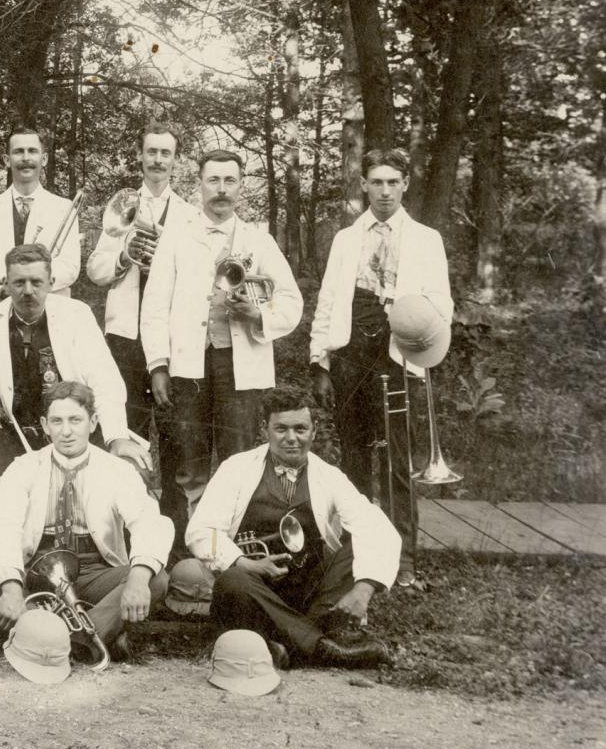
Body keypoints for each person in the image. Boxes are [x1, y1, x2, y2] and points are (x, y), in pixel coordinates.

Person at [141, 148, 302, 547]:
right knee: (189, 462)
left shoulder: (258, 240)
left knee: (240, 460)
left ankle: (240, 548)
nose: (221, 189)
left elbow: (293, 303)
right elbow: (155, 306)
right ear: (199, 184)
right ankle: (195, 550)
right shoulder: (178, 237)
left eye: (230, 180)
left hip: (242, 368)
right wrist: (158, 364)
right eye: (213, 180)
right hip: (188, 368)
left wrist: (258, 314)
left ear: (241, 186)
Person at [310, 148, 452, 585]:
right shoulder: (346, 239)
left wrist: (411, 316)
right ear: (364, 185)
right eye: (377, 182)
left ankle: (403, 560)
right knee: (352, 461)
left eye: (393, 182)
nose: (385, 191)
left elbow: (443, 303)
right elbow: (329, 299)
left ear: (405, 183)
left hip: (399, 356)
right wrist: (320, 361)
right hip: (351, 355)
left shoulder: (427, 239)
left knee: (398, 461)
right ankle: (356, 555)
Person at [186, 386, 399, 668]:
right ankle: (320, 646)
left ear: (314, 430)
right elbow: (201, 531)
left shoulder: (329, 476)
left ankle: (277, 642)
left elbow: (376, 527)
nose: (291, 439)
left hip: (308, 596)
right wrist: (244, 563)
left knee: (354, 547)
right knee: (232, 581)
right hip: (256, 592)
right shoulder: (236, 468)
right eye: (281, 429)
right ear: (265, 429)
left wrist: (364, 589)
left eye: (300, 429)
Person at [0, 382, 173, 661]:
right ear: (44, 425)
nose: (66, 431)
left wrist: (137, 579)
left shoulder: (118, 470)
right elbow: (0, 524)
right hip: (37, 567)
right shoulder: (24, 467)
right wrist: (12, 589)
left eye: (75, 420)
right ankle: (96, 635)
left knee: (154, 579)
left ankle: (55, 639)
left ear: (93, 422)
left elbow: (148, 521)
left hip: (93, 570)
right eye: (57, 421)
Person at [0, 244, 149, 470]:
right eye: (19, 282)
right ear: (6, 284)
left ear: (51, 283)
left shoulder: (76, 314)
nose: (28, 291)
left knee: (127, 471)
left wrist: (116, 437)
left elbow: (105, 381)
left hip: (73, 437)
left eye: (36, 282)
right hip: (13, 441)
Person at [87, 121, 195, 452]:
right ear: (140, 156)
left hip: (169, 336)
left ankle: (173, 506)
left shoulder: (191, 216)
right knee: (124, 426)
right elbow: (94, 270)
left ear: (176, 160)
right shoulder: (123, 207)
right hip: (125, 337)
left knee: (173, 430)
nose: (158, 160)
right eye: (152, 152)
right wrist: (123, 256)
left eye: (166, 153)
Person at [0, 126, 81, 304]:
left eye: (32, 151)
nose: (26, 158)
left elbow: (70, 266)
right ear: (7, 160)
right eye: (18, 152)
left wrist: (30, 286)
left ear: (43, 159)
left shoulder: (64, 208)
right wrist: (1, 290)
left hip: (48, 306)